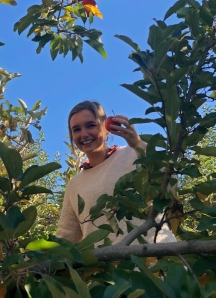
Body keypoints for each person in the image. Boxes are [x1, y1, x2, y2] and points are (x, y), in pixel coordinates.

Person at [56, 101, 176, 245]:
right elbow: (66, 236)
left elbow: (170, 185)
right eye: (76, 129)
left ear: (106, 128)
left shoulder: (133, 155)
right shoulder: (75, 184)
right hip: (109, 265)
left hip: (158, 258)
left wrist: (138, 144)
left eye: (90, 125)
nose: (84, 134)